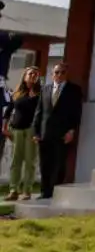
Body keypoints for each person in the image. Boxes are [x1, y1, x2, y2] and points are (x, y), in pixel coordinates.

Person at [34, 60, 83, 199]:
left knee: (59, 163)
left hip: (63, 133)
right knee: (45, 163)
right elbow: (39, 111)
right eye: (57, 72)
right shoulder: (45, 89)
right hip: (45, 132)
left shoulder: (74, 90)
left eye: (62, 72)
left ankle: (56, 191)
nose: (59, 75)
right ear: (52, 74)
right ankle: (45, 192)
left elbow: (76, 112)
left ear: (67, 74)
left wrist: (71, 131)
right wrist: (36, 132)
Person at [6, 66, 40, 200]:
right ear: (25, 76)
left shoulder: (40, 94)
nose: (33, 76)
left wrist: (38, 132)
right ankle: (13, 190)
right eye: (30, 74)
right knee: (16, 161)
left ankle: (27, 190)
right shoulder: (17, 93)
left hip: (31, 130)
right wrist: (5, 128)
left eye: (35, 74)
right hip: (17, 130)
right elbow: (8, 112)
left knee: (30, 161)